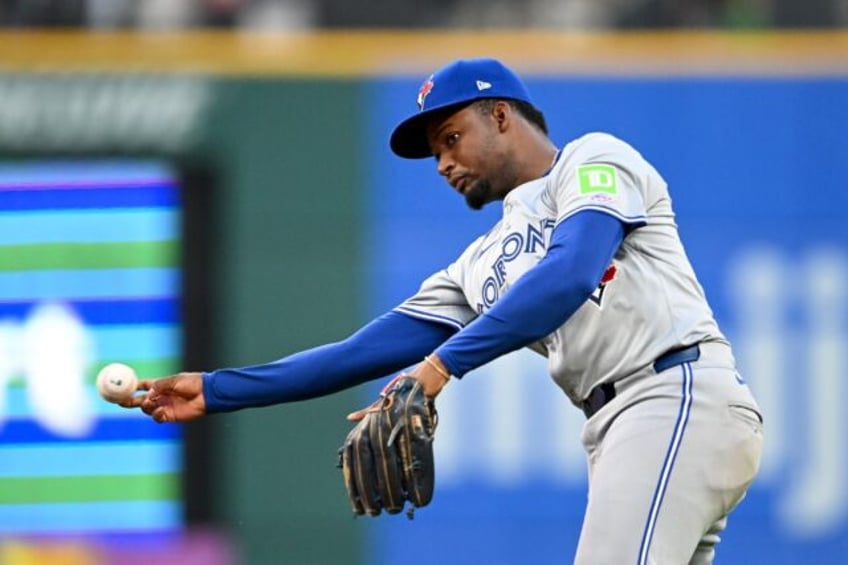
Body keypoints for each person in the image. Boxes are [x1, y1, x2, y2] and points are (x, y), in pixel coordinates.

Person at [124, 58, 764, 564]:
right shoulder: (479, 266)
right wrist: (217, 389)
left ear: (503, 116)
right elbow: (359, 353)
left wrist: (438, 369)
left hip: (674, 396)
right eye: (435, 151)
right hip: (622, 428)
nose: (443, 163)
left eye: (452, 138)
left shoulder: (594, 159)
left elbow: (569, 274)